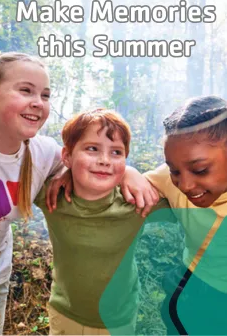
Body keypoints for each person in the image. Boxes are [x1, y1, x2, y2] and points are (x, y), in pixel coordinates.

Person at [0, 53, 158, 335]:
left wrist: (130, 172)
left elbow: (89, 162)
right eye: (25, 90)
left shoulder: (43, 152)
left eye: (45, 95)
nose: (38, 103)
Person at [35, 109, 170, 335]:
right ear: (66, 156)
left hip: (116, 320)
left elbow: (185, 180)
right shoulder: (52, 195)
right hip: (64, 312)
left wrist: (131, 172)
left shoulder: (136, 201)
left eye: (116, 152)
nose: (105, 160)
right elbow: (16, 159)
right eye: (92, 149)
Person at [121, 95, 227, 334]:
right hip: (195, 285)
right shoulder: (171, 179)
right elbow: (138, 181)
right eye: (174, 170)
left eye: (200, 170)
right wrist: (126, 171)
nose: (185, 185)